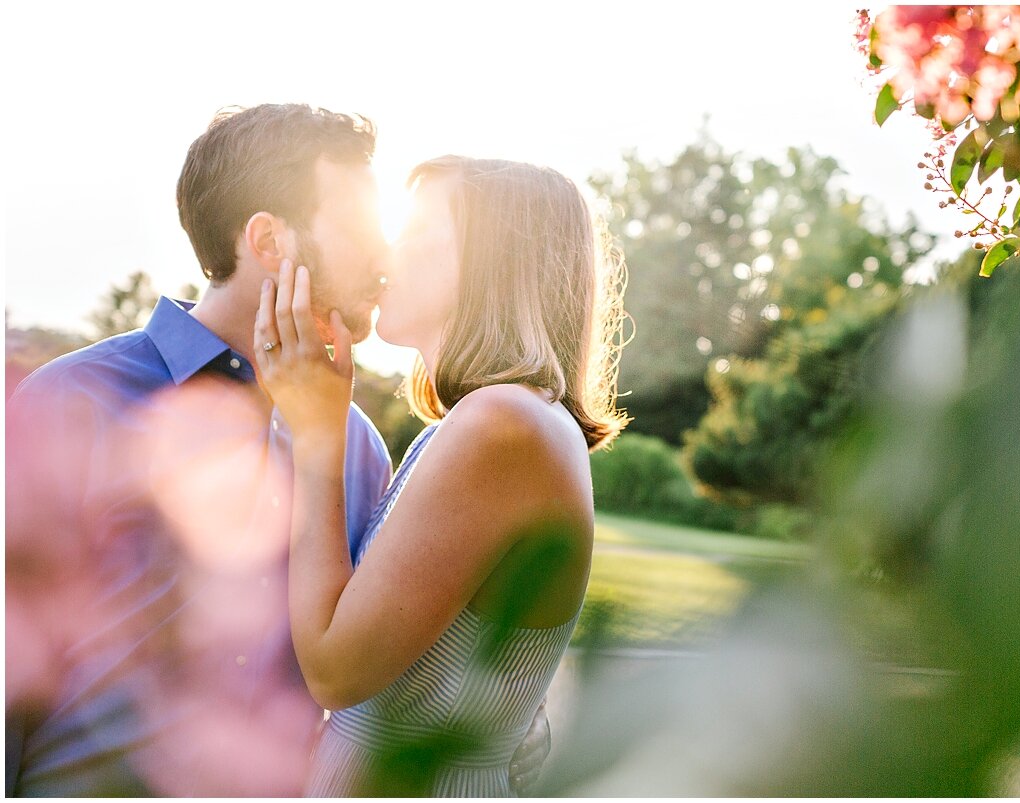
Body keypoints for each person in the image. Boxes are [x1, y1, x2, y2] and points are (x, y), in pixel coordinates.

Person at [5, 106, 548, 796]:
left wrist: (506, 720)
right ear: (269, 240)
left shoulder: (356, 449)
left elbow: (378, 663)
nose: (383, 257)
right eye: (357, 228)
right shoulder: (69, 404)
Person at [253, 155, 628, 796]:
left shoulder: (503, 424)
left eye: (418, 237)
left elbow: (336, 672)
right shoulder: (475, 425)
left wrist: (318, 429)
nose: (386, 255)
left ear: (492, 268)